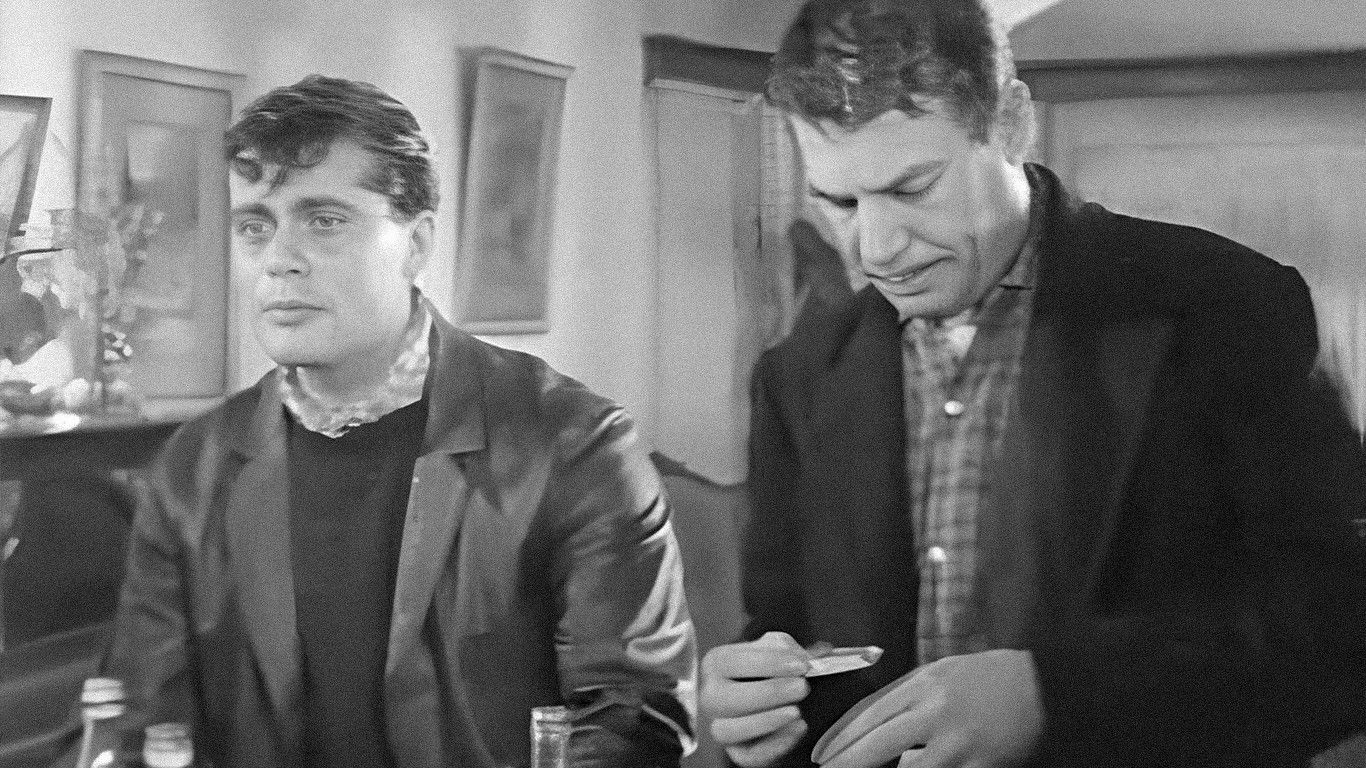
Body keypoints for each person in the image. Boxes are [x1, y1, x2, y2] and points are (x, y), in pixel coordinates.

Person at [699, 1, 1366, 767]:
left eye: (913, 188)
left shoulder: (1228, 307)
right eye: (839, 203)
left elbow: (1342, 632)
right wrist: (757, 708)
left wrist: (1055, 699)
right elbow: (789, 639)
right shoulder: (796, 375)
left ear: (1013, 124)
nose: (875, 250)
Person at [85, 75, 697, 768]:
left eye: (324, 221)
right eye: (256, 227)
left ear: (417, 243)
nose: (279, 260)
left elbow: (633, 719)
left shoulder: (573, 445)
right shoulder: (193, 468)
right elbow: (142, 723)